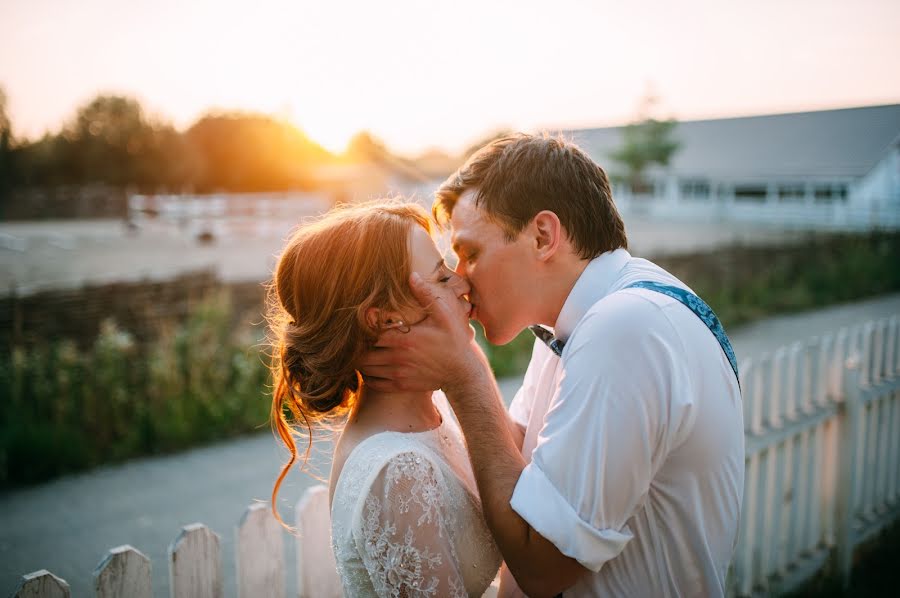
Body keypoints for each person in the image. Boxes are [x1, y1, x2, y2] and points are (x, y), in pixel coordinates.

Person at [362, 134, 745, 597]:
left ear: (543, 235)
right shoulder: (584, 319)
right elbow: (518, 462)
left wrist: (466, 375)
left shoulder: (624, 329)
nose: (461, 280)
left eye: (472, 253)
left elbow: (542, 567)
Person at [266, 201, 502, 597]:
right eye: (441, 278)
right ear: (386, 320)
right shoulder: (398, 472)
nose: (463, 285)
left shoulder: (437, 411)